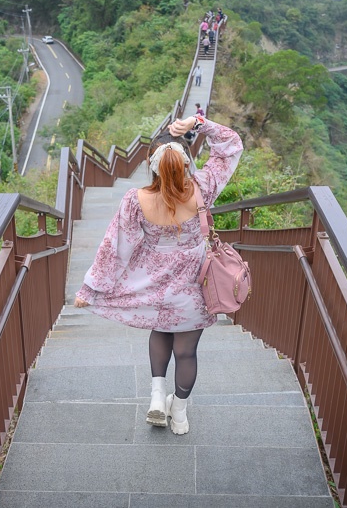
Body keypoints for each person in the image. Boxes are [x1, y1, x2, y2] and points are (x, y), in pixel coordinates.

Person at [75, 115, 243, 435]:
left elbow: (115, 246)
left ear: (152, 165)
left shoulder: (136, 201)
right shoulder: (203, 188)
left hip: (156, 286)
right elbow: (230, 147)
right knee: (186, 351)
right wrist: (199, 122)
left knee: (161, 333)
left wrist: (91, 289)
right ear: (187, 163)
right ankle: (178, 413)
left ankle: (155, 394)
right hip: (196, 287)